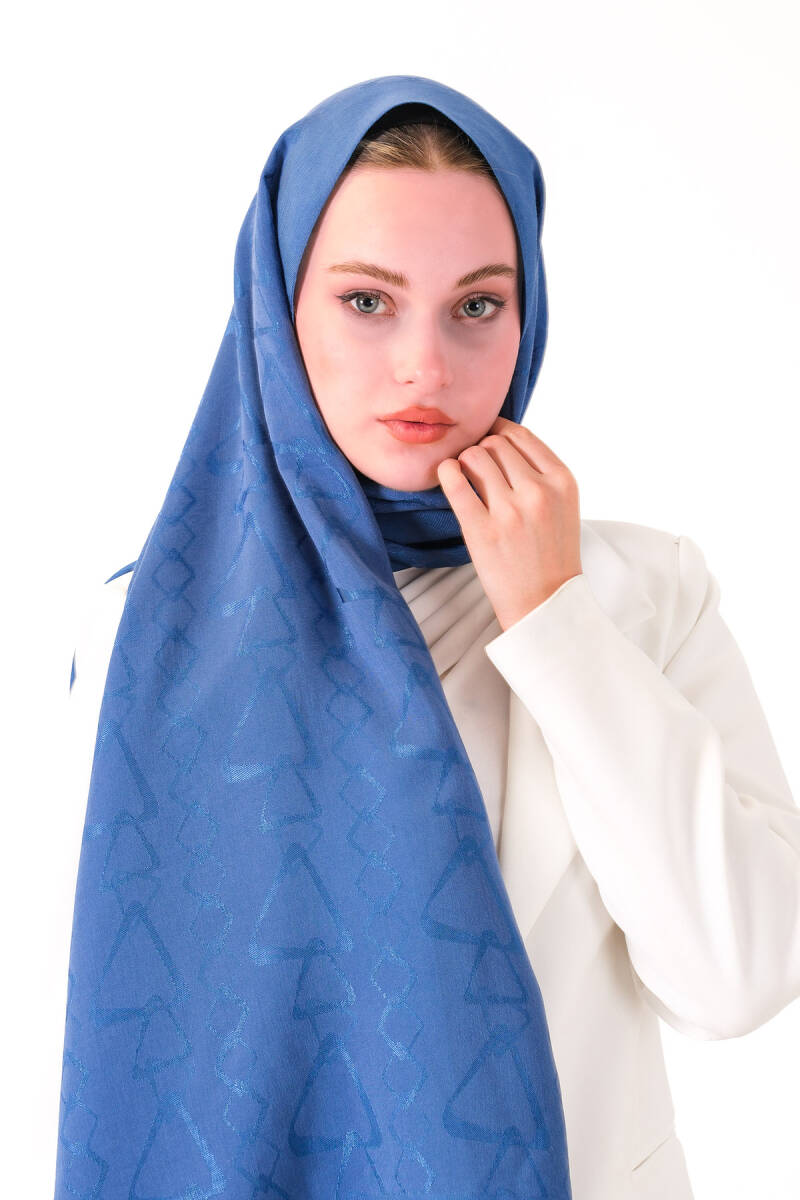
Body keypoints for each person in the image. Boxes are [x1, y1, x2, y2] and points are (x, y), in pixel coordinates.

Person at [55, 76, 799, 1200]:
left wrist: (554, 620)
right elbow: (116, 1039)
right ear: (276, 308)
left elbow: (736, 980)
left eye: (477, 305)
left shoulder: (642, 596)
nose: (426, 366)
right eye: (367, 301)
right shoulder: (143, 633)